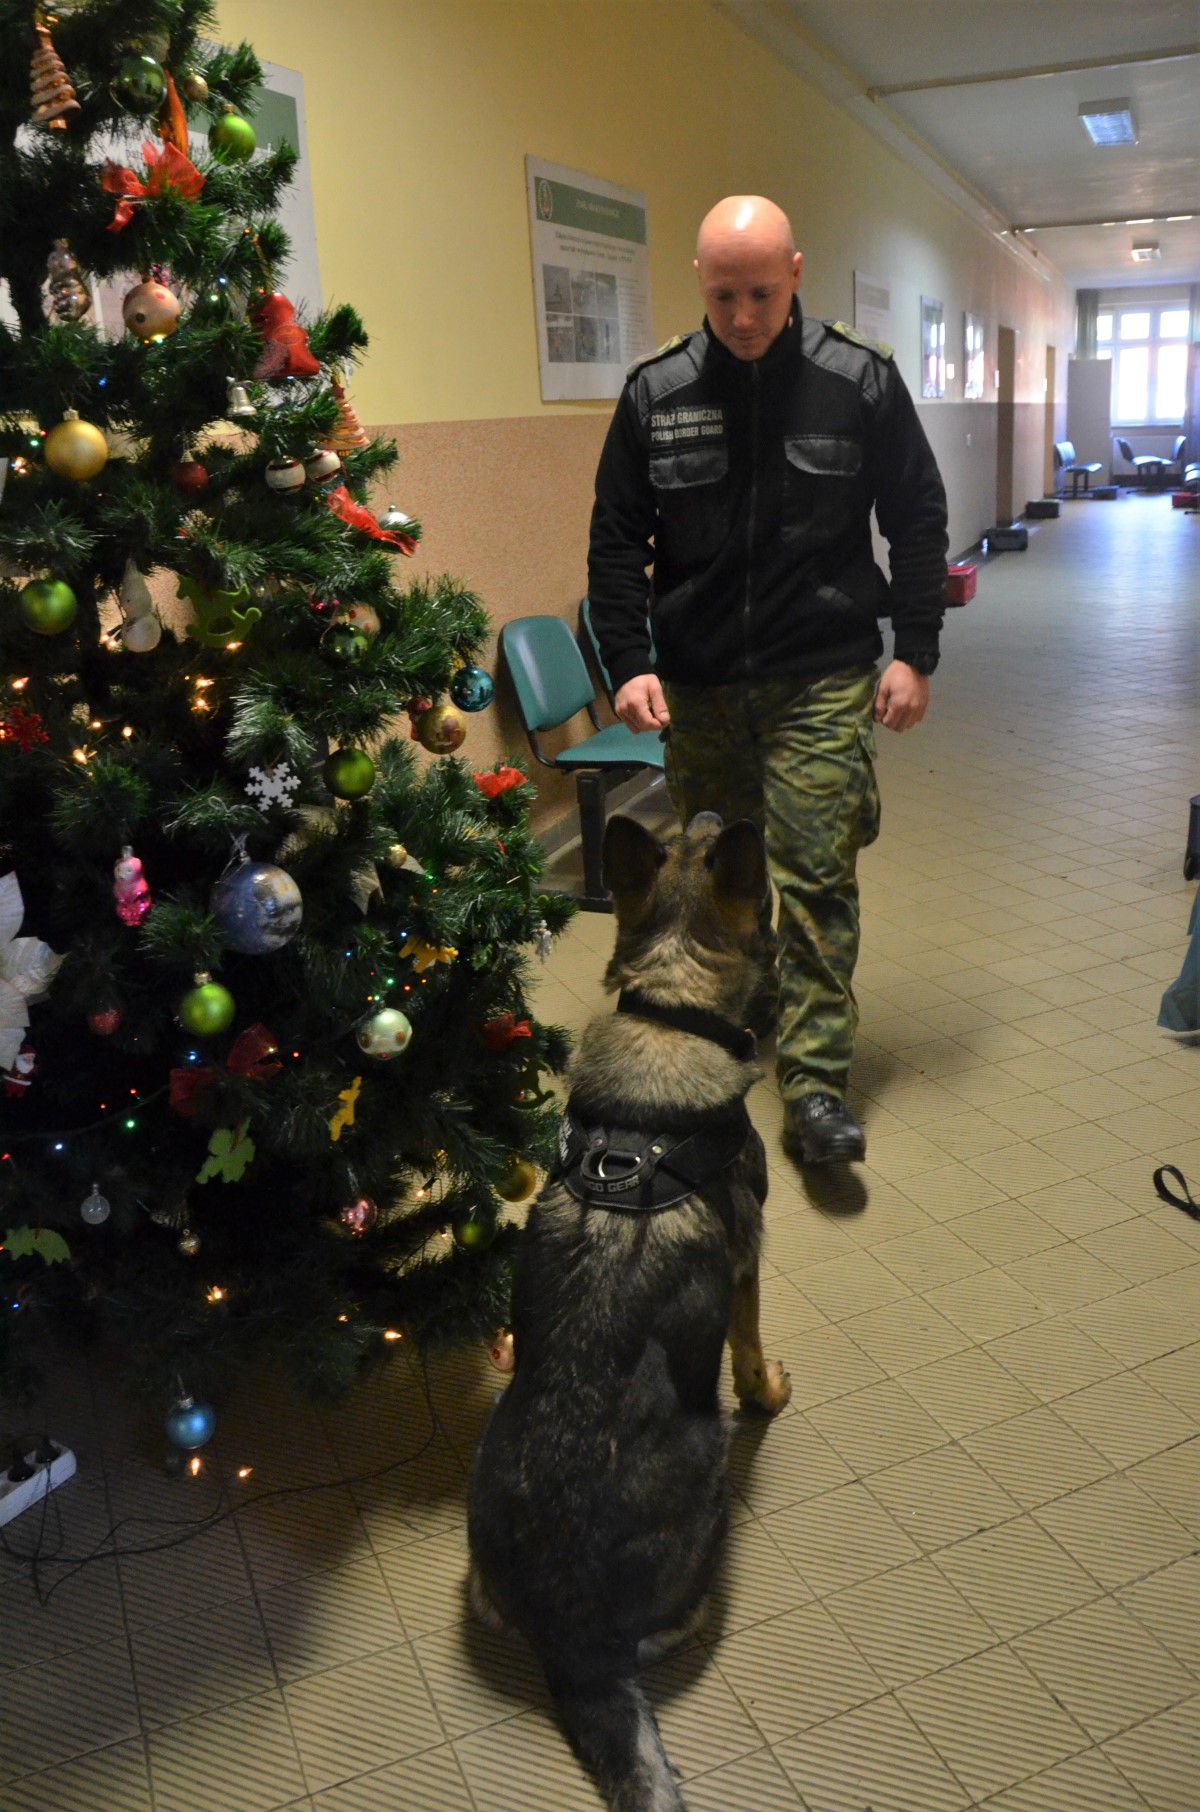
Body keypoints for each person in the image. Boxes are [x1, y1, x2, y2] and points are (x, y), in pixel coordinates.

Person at [587, 195, 948, 1165]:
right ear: (698, 285)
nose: (742, 317)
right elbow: (618, 538)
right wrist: (627, 663)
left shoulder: (858, 381)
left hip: (820, 679)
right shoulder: (656, 392)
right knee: (715, 877)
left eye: (758, 292)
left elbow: (916, 515)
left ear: (794, 270)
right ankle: (738, 1025)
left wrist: (914, 648)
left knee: (816, 875)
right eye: (722, 296)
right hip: (700, 688)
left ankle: (819, 1087)